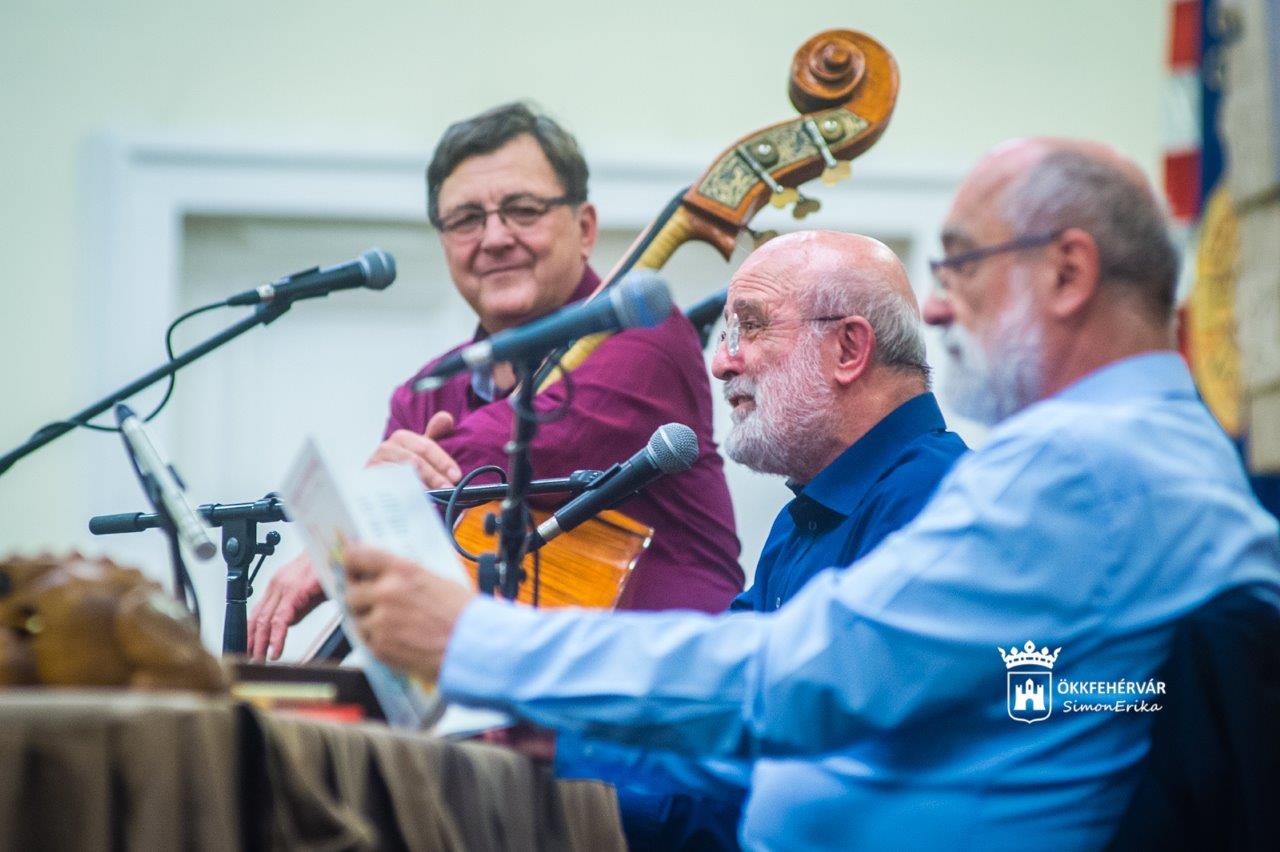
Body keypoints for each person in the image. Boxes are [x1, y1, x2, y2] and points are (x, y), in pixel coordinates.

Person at [342, 138, 1280, 849]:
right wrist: (571, 738)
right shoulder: (1155, 448)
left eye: (958, 264)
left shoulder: (1081, 468)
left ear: (1069, 272)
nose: (940, 305)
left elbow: (805, 678)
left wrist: (475, 639)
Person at [247, 102, 742, 660]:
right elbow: (399, 583)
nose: (495, 237)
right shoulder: (424, 395)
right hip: (496, 722)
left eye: (523, 210)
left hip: (666, 699)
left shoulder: (646, 336)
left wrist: (354, 521)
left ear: (584, 230)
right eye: (466, 220)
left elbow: (510, 445)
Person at [559, 230, 968, 849]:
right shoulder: (810, 510)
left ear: (848, 348)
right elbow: (711, 702)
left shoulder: (932, 509)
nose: (722, 361)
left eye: (749, 327)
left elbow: (794, 772)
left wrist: (574, 774)